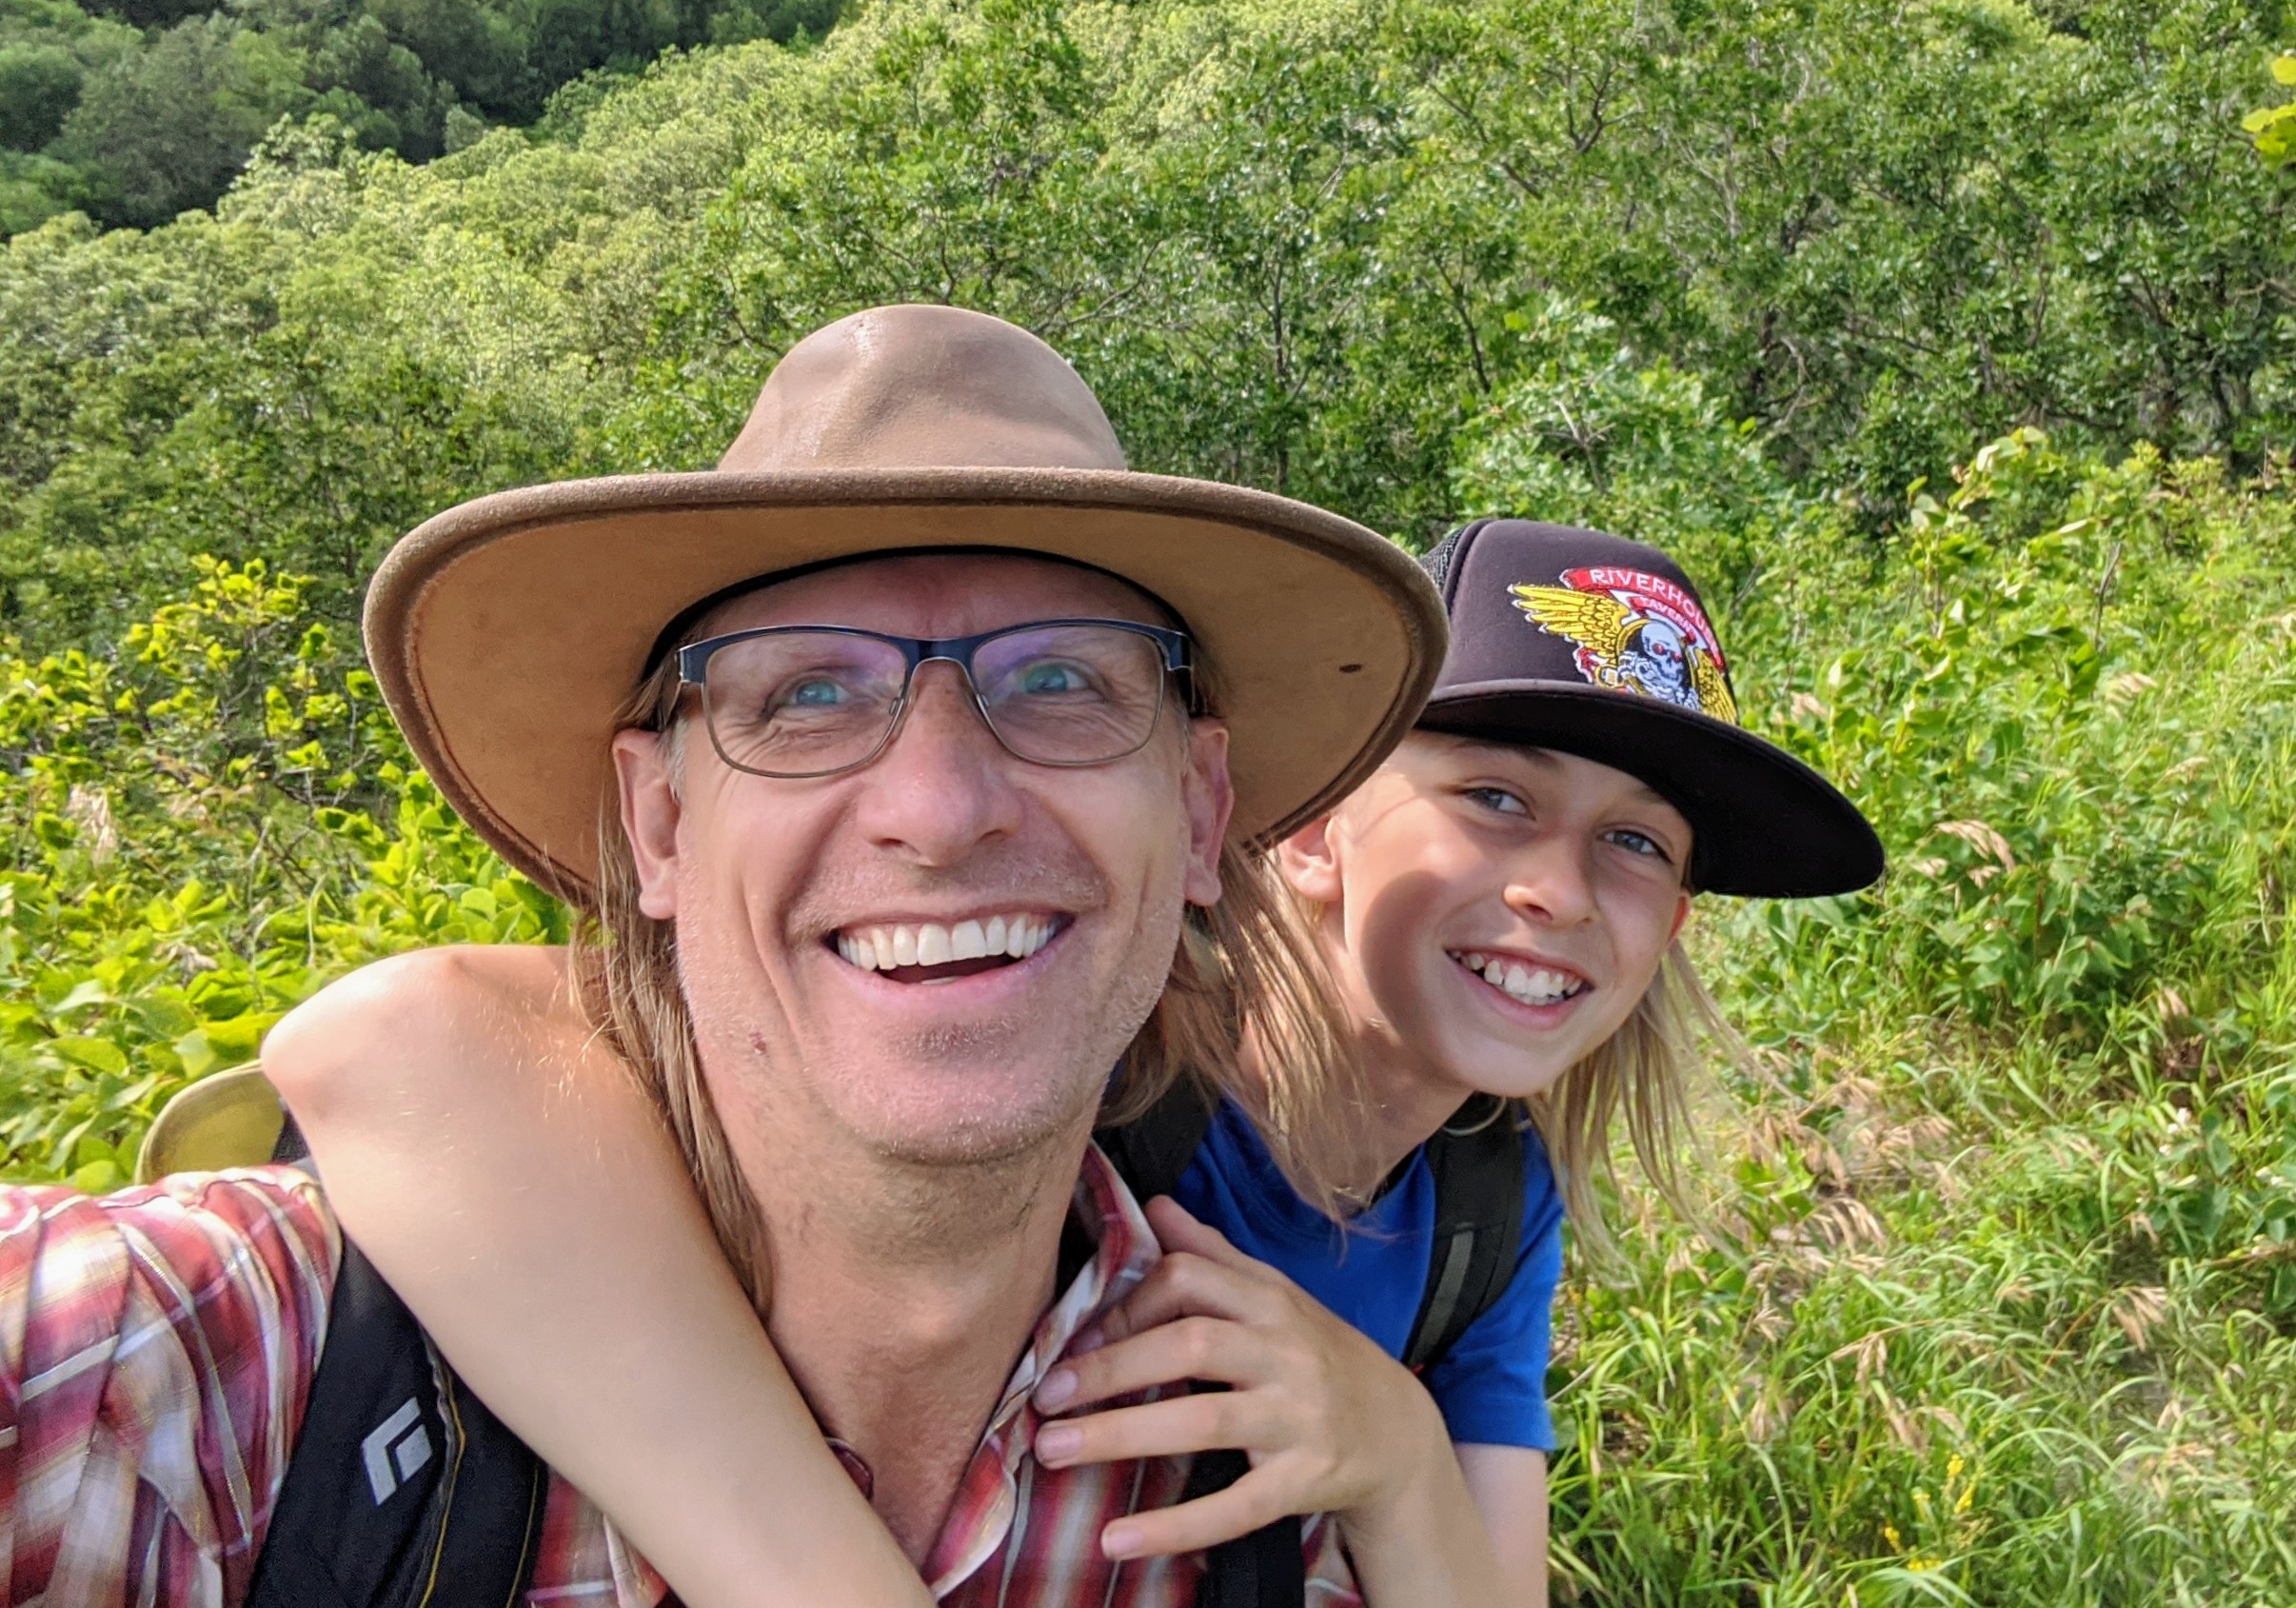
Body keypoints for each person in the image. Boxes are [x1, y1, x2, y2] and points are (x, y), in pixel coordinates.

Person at [0, 303, 1495, 1608]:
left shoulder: (1271, 1519)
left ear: (1198, 800)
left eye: (1060, 681)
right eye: (802, 699)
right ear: (657, 822)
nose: (937, 806)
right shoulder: (224, 1375)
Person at [260, 519, 1887, 1608]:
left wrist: (1385, 1438)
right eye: (1497, 799)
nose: (1554, 887)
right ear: (1299, 830)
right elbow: (394, 1042)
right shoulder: (1085, 1031)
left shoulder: (1483, 1198)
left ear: (1674, 921)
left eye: (1637, 843)